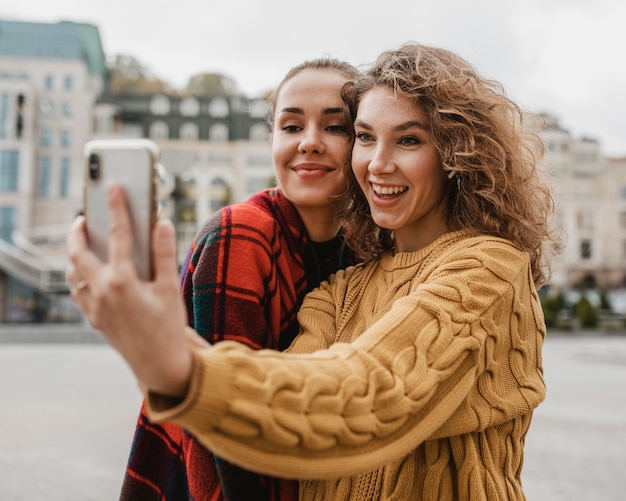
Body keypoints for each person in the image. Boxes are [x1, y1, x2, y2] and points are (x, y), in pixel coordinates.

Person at [67, 42, 557, 500]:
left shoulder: (488, 270)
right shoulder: (343, 285)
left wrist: (173, 362)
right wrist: (163, 339)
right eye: (365, 137)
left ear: (456, 154)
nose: (378, 163)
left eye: (408, 140)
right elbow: (290, 399)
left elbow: (365, 395)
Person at [117, 58, 361, 500]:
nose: (309, 142)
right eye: (290, 127)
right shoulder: (241, 234)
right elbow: (225, 431)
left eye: (335, 127)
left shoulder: (360, 250)